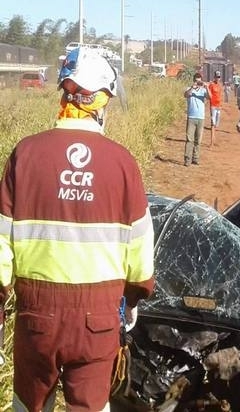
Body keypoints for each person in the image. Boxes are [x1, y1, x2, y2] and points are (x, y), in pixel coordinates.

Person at [0, 47, 155, 411]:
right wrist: (133, 299)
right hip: (99, 320)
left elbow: (1, 243)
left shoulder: (25, 155)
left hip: (37, 318)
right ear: (100, 102)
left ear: (65, 96)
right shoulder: (122, 163)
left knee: (29, 406)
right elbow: (140, 251)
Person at [184, 72, 209, 166]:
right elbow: (186, 95)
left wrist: (206, 87)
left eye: (199, 81)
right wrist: (192, 87)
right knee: (189, 139)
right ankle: (187, 159)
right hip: (191, 117)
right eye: (196, 81)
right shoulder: (189, 89)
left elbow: (209, 97)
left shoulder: (203, 90)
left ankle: (196, 158)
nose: (197, 83)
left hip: (200, 117)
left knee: (198, 140)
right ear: (193, 80)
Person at [208, 71, 224, 147]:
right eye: (217, 77)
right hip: (213, 106)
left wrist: (221, 105)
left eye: (219, 77)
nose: (218, 78)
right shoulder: (211, 85)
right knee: (212, 123)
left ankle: (214, 140)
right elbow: (209, 95)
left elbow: (220, 95)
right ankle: (211, 142)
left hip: (218, 106)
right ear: (214, 77)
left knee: (216, 125)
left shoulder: (220, 85)